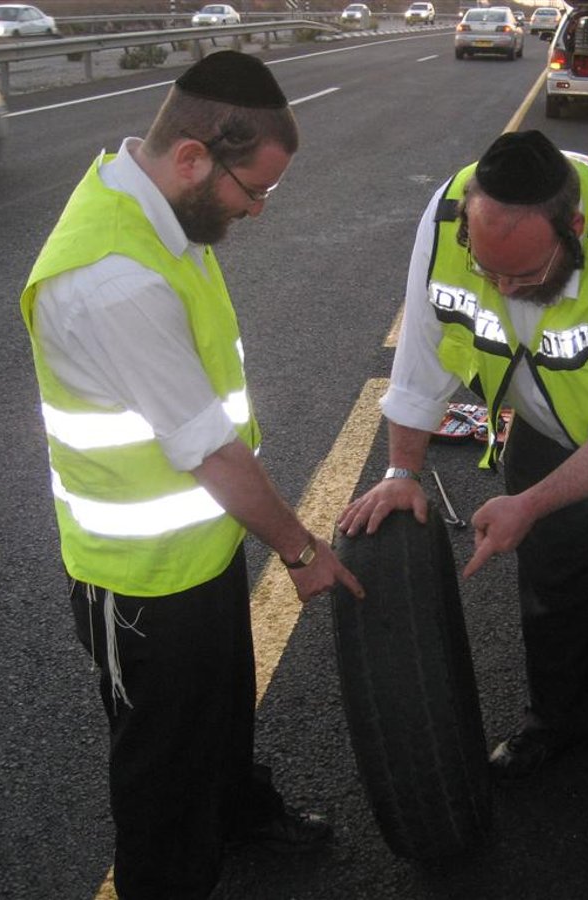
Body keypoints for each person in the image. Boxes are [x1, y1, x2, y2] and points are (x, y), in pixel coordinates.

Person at [338, 131, 588, 856]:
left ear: (576, 231)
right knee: (553, 592)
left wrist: (526, 505)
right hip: (550, 423)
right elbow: (423, 359)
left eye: (525, 276)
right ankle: (557, 724)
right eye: (488, 271)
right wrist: (401, 472)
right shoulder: (447, 221)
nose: (505, 291)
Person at [20, 51, 364, 900]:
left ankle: (239, 813)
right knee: (161, 771)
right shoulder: (113, 278)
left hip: (199, 546)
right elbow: (209, 451)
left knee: (221, 709)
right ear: (191, 158)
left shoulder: (159, 215)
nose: (256, 212)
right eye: (254, 192)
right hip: (137, 580)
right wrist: (298, 548)